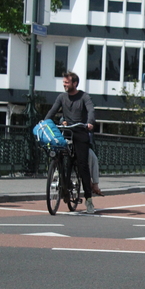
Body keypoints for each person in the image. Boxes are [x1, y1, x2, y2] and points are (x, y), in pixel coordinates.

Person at [45, 71, 96, 214]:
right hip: (66, 132)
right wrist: (45, 122)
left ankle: (89, 199)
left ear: (74, 83)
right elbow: (52, 111)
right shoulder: (61, 97)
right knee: (59, 154)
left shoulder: (84, 97)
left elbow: (91, 110)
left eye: (67, 83)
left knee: (82, 165)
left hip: (80, 132)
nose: (64, 85)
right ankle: (60, 178)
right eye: (63, 83)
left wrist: (90, 122)